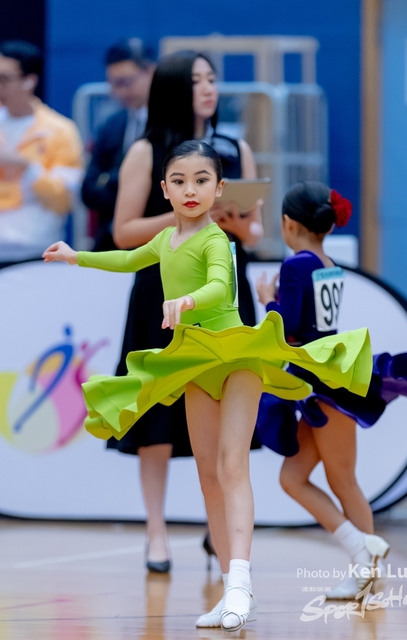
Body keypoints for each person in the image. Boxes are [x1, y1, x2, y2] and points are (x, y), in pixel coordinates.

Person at [43, 141, 372, 632]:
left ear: (219, 189)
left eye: (201, 180)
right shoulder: (164, 240)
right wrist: (77, 257)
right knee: (208, 476)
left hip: (235, 356)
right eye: (179, 181)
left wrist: (188, 302)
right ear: (165, 190)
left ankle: (240, 584)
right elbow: (127, 260)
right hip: (196, 362)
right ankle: (229, 588)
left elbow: (220, 285)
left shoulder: (216, 239)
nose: (190, 189)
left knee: (232, 466)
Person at [107, 50, 263, 575]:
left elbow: (255, 232)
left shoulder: (235, 149)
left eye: (212, 78)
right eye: (197, 80)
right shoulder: (146, 152)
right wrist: (188, 215)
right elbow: (123, 232)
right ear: (174, 88)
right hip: (162, 293)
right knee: (156, 414)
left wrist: (231, 221)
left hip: (223, 296)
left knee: (224, 419)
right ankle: (156, 531)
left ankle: (220, 535)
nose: (209, 88)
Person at [256, 181, 407, 599]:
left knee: (343, 481)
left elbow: (288, 329)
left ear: (288, 223)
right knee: (293, 477)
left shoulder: (296, 266)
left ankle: (369, 573)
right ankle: (364, 560)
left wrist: (268, 300)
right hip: (322, 380)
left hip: (324, 387)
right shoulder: (327, 262)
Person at [0, 40, 83, 268]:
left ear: (29, 80)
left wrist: (25, 166)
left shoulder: (59, 131)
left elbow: (65, 197)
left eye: (4, 79)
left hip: (35, 251)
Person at [81, 38, 155, 251]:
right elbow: (88, 191)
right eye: (113, 84)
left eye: (125, 82)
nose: (119, 92)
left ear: (151, 73)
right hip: (110, 240)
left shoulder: (175, 125)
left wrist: (112, 180)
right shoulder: (112, 125)